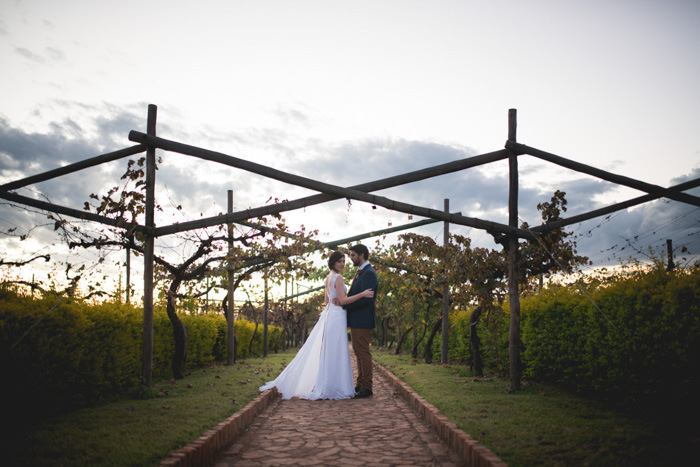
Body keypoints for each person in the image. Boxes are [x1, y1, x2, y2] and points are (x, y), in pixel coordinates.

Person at [259, 251, 374, 400]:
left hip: (331, 315)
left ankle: (329, 385)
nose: (343, 264)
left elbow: (327, 302)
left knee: (331, 351)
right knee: (337, 351)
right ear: (333, 262)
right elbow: (343, 301)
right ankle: (336, 386)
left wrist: (336, 306)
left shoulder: (328, 277)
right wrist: (362, 294)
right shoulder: (338, 278)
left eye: (344, 261)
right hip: (338, 316)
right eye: (340, 261)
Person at [334, 243, 379, 399]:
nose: (351, 258)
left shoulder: (369, 274)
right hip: (356, 319)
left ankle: (367, 387)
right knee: (358, 352)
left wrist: (345, 304)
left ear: (362, 255)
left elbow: (367, 300)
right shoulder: (362, 272)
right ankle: (360, 384)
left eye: (353, 255)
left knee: (363, 353)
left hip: (363, 320)